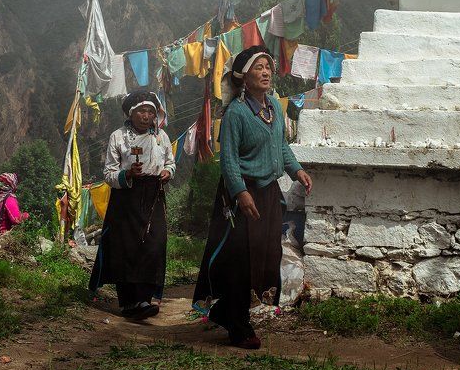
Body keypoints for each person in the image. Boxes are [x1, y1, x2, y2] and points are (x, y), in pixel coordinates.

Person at [193, 45, 313, 349]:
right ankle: (238, 326)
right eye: (258, 68)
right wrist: (241, 192)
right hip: (241, 196)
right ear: (243, 78)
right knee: (240, 260)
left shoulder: (274, 105)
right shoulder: (235, 113)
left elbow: (282, 146)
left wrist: (297, 170)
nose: (266, 72)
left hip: (269, 194)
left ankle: (226, 312)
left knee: (266, 254)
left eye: (268, 68)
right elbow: (229, 160)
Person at [89, 91, 175, 320]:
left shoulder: (161, 137)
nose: (146, 116)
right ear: (131, 113)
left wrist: (168, 171)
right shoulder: (118, 137)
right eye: (141, 111)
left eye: (150, 112)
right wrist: (127, 174)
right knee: (127, 247)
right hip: (127, 197)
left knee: (154, 243)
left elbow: (170, 161)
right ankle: (129, 302)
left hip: (154, 195)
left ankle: (146, 297)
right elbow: (108, 173)